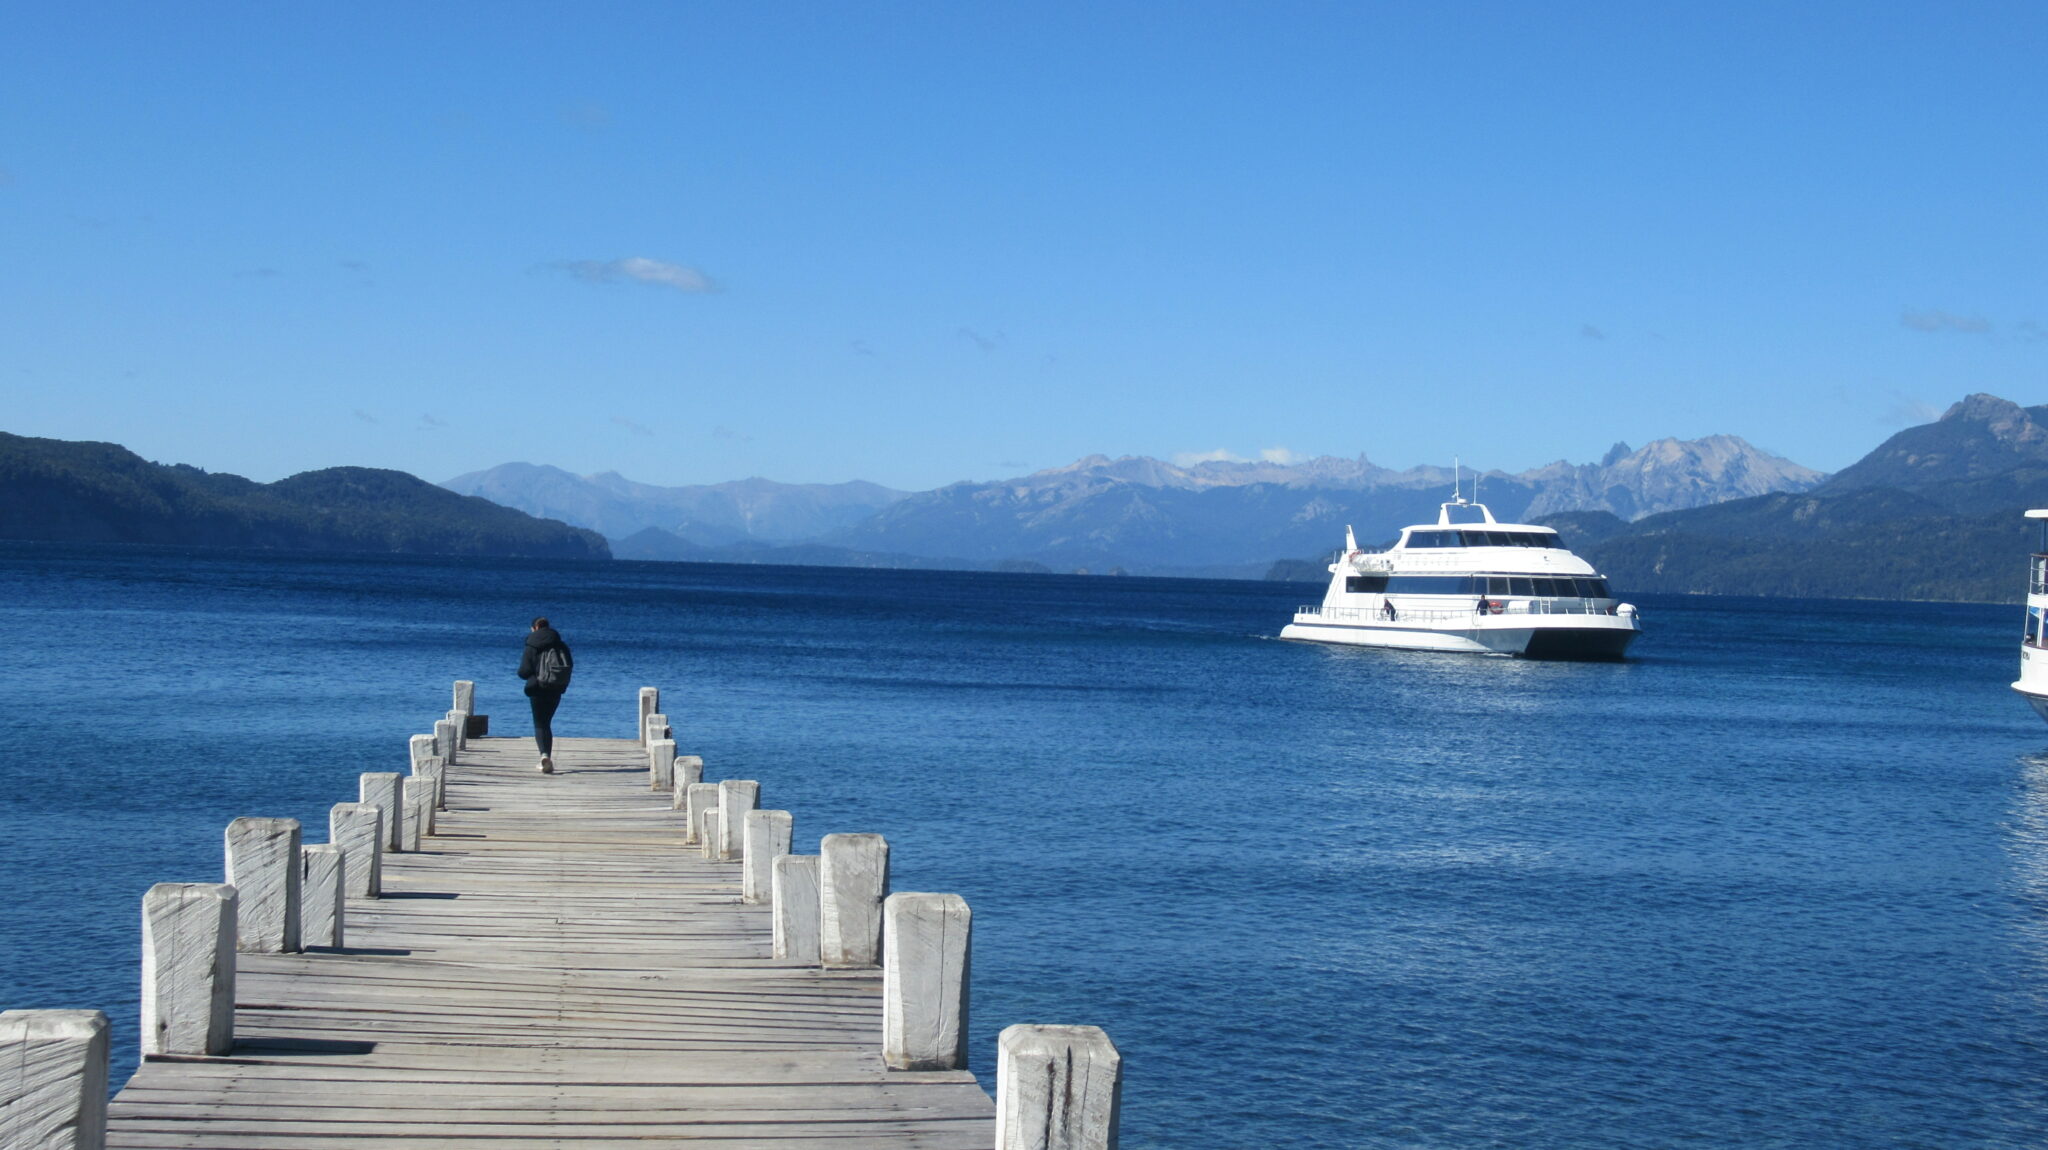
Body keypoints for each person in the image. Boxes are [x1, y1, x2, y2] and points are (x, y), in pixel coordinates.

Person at [517, 616, 573, 773]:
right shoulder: (561, 645)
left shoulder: (532, 645)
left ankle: (544, 756)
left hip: (537, 688)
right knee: (547, 722)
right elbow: (569, 666)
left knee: (540, 724)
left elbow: (524, 671)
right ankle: (545, 756)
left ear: (534, 628)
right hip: (556, 687)